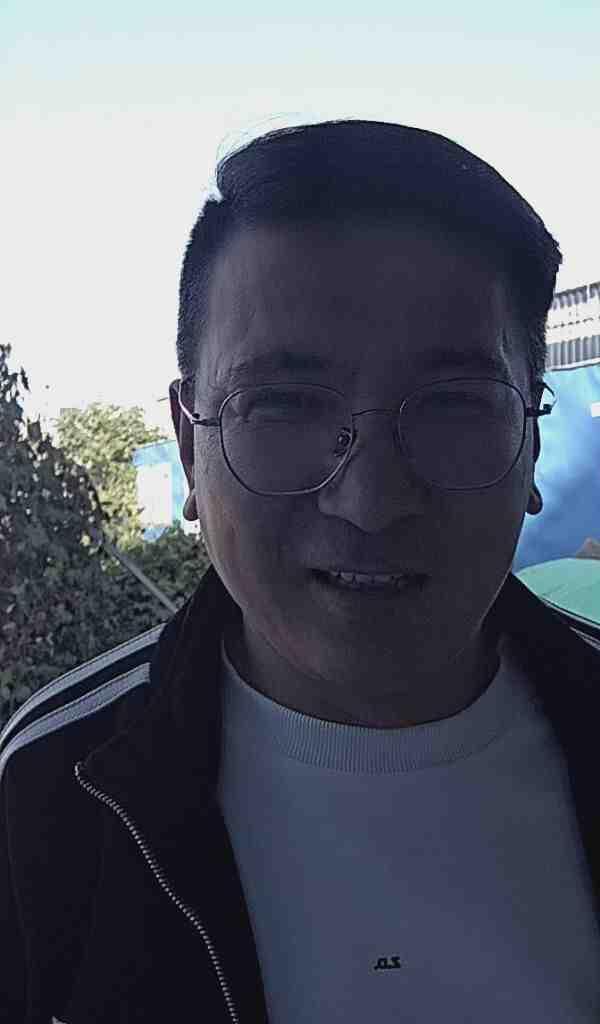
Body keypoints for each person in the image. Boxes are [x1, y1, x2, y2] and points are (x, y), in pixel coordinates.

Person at [2, 120, 600, 1023]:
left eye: (451, 404)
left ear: (531, 436)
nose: (371, 501)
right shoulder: (49, 795)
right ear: (188, 446)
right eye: (281, 405)